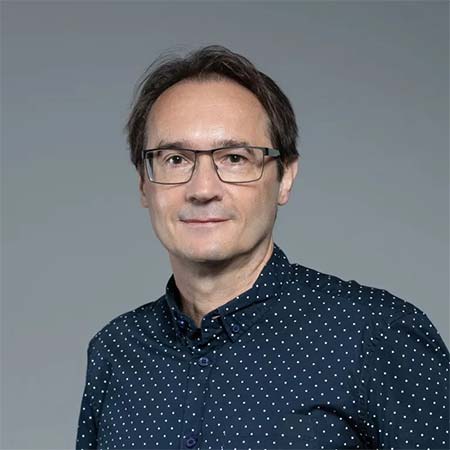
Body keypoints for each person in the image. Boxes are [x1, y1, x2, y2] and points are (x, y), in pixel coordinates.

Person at [76, 45, 449, 450]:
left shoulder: (375, 333)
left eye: (235, 158)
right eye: (175, 159)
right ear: (143, 184)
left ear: (285, 178)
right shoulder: (116, 351)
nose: (202, 189)